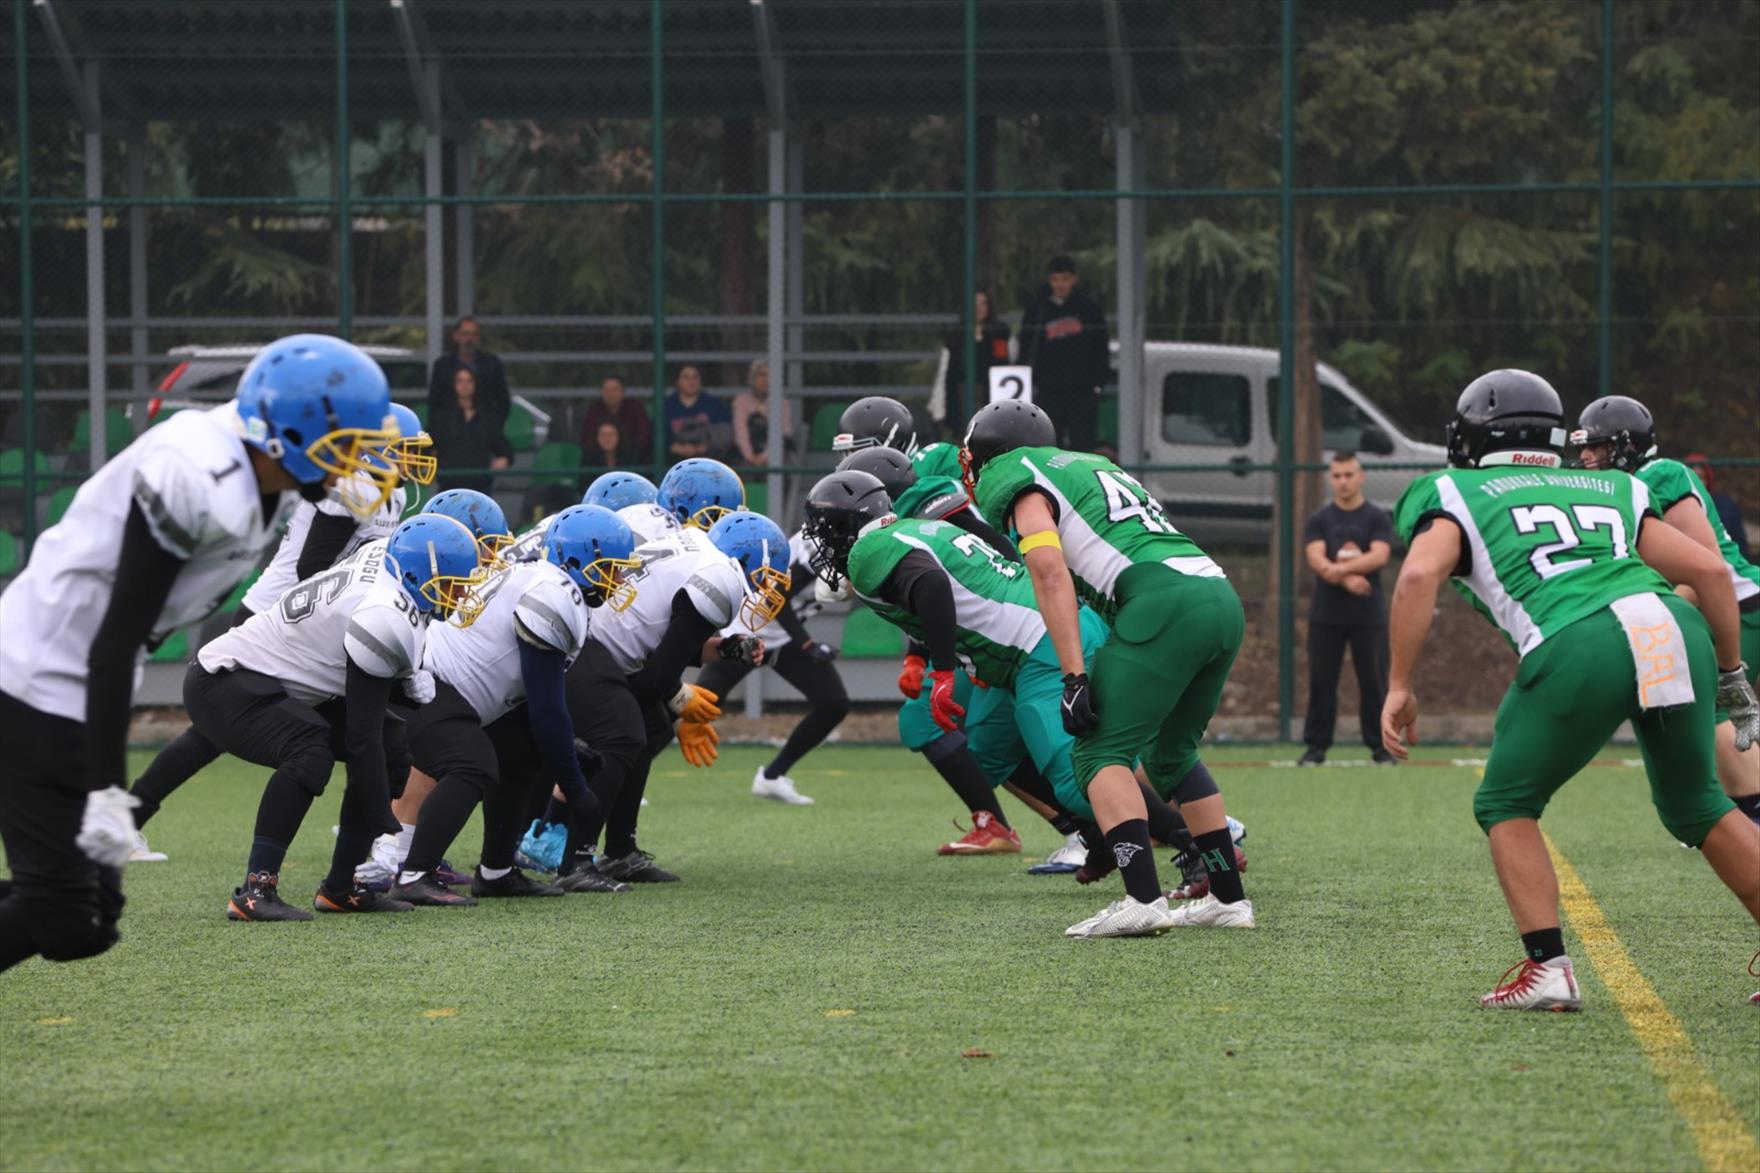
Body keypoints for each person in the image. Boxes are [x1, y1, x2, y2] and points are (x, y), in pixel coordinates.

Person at [0, 333, 393, 971]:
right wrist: (108, 792)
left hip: (73, 672)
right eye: (345, 444)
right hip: (32, 677)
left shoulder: (267, 470)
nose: (356, 464)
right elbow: (113, 641)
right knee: (65, 915)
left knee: (85, 920)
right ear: (291, 432)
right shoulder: (196, 473)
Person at [1382, 369, 1760, 1010]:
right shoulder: (1613, 483)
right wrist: (1731, 673)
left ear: (1473, 437)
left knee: (1506, 802)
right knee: (1697, 802)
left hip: (1580, 636)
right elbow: (1710, 570)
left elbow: (1419, 576)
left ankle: (1549, 969)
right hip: (1674, 626)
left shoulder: (1450, 489)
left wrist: (1399, 684)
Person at [966, 399, 1253, 937]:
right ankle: (1228, 899)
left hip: (1161, 600)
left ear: (992, 453)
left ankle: (1143, 899)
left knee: (1097, 751)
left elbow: (1048, 571)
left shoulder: (1014, 473)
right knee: (1171, 753)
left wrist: (1074, 676)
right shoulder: (1092, 465)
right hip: (1217, 596)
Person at [129, 404, 435, 850]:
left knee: (364, 726)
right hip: (278, 617)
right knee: (229, 735)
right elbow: (313, 566)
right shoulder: (352, 486)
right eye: (404, 450)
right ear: (373, 451)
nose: (412, 460)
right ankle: (369, 829)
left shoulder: (394, 493)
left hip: (314, 622)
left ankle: (365, 828)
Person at [186, 515, 482, 920]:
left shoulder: (389, 560)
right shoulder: (383, 615)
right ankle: (255, 891)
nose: (460, 594)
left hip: (275, 678)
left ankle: (341, 888)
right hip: (225, 678)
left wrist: (405, 680)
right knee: (309, 749)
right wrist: (381, 815)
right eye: (451, 583)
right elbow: (361, 736)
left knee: (392, 743)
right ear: (418, 574)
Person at [391, 505, 641, 905]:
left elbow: (535, 710)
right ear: (579, 562)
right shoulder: (553, 595)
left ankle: (496, 872)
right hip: (425, 685)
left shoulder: (547, 582)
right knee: (471, 764)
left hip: (447, 687)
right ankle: (414, 874)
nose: (621, 579)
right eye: (612, 568)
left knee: (522, 753)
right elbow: (546, 708)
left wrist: (563, 753)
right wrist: (576, 790)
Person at [562, 510, 793, 883]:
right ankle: (575, 860)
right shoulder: (721, 577)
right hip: (589, 649)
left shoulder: (695, 548)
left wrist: (723, 649)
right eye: (766, 577)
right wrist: (683, 703)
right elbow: (657, 678)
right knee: (625, 734)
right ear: (748, 561)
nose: (766, 589)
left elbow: (662, 642)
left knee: (651, 726)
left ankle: (620, 851)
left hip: (596, 642)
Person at [1573, 396, 1760, 827]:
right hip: (1724, 606)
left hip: (1737, 605)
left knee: (1714, 705)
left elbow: (1706, 565)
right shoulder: (1621, 489)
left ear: (1626, 446)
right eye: (1583, 447)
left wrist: (1659, 614)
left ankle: (1751, 816)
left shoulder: (1659, 475)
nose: (1584, 457)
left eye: (1596, 446)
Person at [696, 528, 846, 807]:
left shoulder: (848, 539)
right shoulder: (821, 542)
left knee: (833, 703)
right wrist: (806, 644)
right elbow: (777, 598)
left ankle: (772, 776)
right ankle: (627, 775)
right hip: (748, 631)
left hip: (782, 637)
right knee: (694, 706)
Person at [1300, 451, 1397, 766]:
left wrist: (1338, 571)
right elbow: (1316, 558)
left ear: (1361, 477)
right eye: (1337, 476)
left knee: (1374, 680)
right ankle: (1316, 747)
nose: (1343, 482)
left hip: (1368, 615)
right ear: (1331, 478)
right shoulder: (1319, 519)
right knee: (1321, 681)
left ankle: (1381, 747)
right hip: (1325, 615)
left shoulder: (1377, 517)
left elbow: (1379, 555)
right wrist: (1347, 579)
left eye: (1349, 475)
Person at [1017, 256, 1109, 452]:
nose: (1060, 285)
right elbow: (1026, 347)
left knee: (1083, 446)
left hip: (1082, 391)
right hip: (1048, 391)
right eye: (1056, 279)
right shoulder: (1037, 311)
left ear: (1074, 279)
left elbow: (1101, 347)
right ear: (1049, 280)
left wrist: (1098, 383)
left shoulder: (1089, 309)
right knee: (1048, 445)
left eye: (1065, 279)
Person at [929, 289, 1013, 435]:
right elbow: (944, 373)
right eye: (974, 305)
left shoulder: (1000, 333)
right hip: (961, 399)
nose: (978, 309)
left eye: (983, 304)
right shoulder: (955, 337)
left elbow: (1009, 366)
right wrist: (938, 408)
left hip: (993, 397)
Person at [429, 367, 513, 495]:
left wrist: (504, 458)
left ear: (475, 384)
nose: (465, 385)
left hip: (481, 488)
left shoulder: (487, 417)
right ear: (453, 385)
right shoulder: (442, 417)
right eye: (460, 381)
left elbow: (502, 446)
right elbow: (429, 444)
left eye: (469, 381)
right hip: (448, 487)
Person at [427, 316, 510, 433]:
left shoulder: (491, 364)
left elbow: (503, 400)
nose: (469, 339)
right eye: (465, 334)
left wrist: (495, 425)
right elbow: (435, 401)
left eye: (473, 334)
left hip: (484, 429)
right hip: (449, 429)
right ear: (456, 336)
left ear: (478, 337)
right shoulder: (442, 366)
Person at [1684, 452, 1750, 559]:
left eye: (1700, 477)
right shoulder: (1673, 508)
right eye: (1691, 478)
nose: (1695, 483)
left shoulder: (1726, 507)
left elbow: (1740, 544)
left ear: (1708, 480)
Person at [731, 361, 794, 469]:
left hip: (778, 452)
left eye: (770, 376)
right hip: (748, 453)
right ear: (752, 378)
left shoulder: (782, 403)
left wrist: (764, 457)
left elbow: (784, 433)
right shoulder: (741, 401)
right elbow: (740, 432)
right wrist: (750, 457)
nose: (766, 380)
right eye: (761, 375)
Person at [580, 376, 652, 469]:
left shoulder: (635, 408)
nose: (611, 394)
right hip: (598, 461)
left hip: (632, 460)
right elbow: (588, 439)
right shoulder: (594, 410)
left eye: (615, 389)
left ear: (622, 392)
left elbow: (643, 437)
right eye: (607, 390)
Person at [663, 365, 732, 462]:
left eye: (695, 377)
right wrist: (675, 447)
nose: (691, 381)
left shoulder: (714, 405)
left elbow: (724, 433)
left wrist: (706, 446)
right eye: (686, 377)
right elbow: (660, 435)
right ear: (677, 381)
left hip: (708, 460)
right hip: (673, 461)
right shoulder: (667, 406)